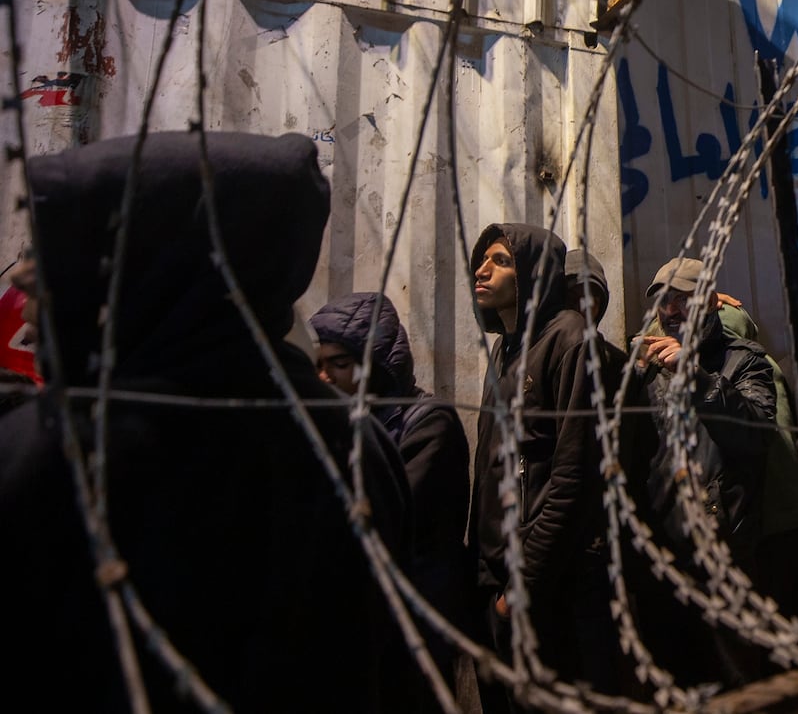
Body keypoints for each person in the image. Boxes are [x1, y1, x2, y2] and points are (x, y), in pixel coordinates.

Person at [0, 132, 411, 713]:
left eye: (53, 248)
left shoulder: (51, 450)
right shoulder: (351, 443)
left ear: (147, 259)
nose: (20, 278)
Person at [468, 223, 621, 696]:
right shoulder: (505, 350)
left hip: (543, 583)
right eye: (483, 259)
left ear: (532, 273)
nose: (483, 269)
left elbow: (571, 478)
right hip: (496, 574)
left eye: (501, 260)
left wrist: (523, 586)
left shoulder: (571, 340)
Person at [634, 257, 775, 686]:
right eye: (663, 301)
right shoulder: (645, 365)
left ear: (712, 302)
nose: (672, 310)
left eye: (683, 299)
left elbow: (756, 435)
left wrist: (696, 378)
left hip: (724, 553)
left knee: (736, 682)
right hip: (661, 554)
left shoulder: (743, 361)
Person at [310, 293, 471, 640]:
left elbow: (393, 518)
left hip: (416, 612)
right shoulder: (347, 422)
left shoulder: (429, 422)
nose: (323, 377)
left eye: (337, 363)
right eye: (318, 365)